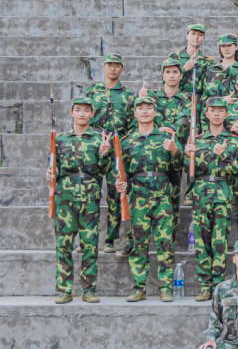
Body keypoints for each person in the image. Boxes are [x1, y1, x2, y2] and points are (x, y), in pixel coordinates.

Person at [115, 95, 183, 302]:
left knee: (165, 244)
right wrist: (120, 184)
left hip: (163, 197)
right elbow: (121, 172)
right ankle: (139, 288)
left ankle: (166, 287)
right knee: (138, 244)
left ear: (155, 112)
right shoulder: (127, 142)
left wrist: (175, 151)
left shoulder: (167, 137)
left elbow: (179, 167)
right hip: (138, 198)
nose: (144, 111)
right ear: (135, 113)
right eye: (140, 108)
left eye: (148, 108)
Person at [49, 96, 113, 304]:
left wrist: (104, 154)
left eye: (86, 110)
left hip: (90, 197)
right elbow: (54, 168)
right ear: (71, 113)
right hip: (65, 198)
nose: (82, 114)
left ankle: (89, 289)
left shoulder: (100, 139)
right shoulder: (59, 140)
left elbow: (106, 170)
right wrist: (51, 173)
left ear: (92, 114)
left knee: (90, 245)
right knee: (63, 245)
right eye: (78, 110)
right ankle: (64, 290)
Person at [184, 97, 238, 301]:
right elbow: (187, 168)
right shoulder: (196, 139)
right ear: (206, 113)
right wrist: (187, 155)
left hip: (222, 193)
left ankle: (217, 284)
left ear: (226, 114)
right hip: (200, 194)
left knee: (220, 242)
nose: (217, 114)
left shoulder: (234, 140)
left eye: (220, 110)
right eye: (213, 110)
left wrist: (224, 154)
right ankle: (204, 285)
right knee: (201, 242)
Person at [83, 53, 133, 255]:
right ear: (103, 67)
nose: (113, 69)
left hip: (117, 149)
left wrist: (123, 145)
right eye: (109, 65)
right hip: (94, 148)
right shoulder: (92, 92)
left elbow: (132, 124)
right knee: (90, 193)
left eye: (117, 65)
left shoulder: (128, 95)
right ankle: (87, 238)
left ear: (122, 69)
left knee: (115, 193)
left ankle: (110, 239)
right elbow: (82, 117)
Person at [143, 58, 189, 236]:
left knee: (173, 199)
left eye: (175, 72)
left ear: (181, 75)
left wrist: (162, 129)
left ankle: (170, 238)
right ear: (162, 75)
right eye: (168, 72)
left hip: (174, 153)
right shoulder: (152, 97)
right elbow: (145, 120)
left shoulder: (186, 99)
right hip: (152, 152)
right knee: (144, 199)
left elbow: (184, 123)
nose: (171, 76)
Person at [200, 34, 238, 129]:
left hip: (237, 119)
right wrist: (222, 100)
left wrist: (231, 71)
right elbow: (204, 98)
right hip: (215, 120)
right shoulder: (211, 70)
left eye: (229, 45)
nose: (226, 49)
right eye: (223, 46)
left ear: (236, 47)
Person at [168, 23, 213, 97]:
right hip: (177, 99)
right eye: (193, 34)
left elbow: (208, 87)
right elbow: (166, 81)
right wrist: (184, 69)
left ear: (203, 38)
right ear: (187, 36)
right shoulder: (174, 57)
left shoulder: (207, 61)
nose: (196, 37)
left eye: (200, 35)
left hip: (198, 101)